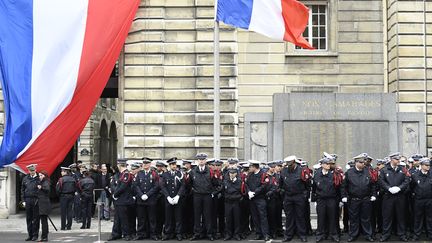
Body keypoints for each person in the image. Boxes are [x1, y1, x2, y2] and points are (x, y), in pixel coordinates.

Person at [341, 154, 376, 242]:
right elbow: (343, 186)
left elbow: (373, 185)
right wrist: (344, 196)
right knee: (353, 218)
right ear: (356, 162)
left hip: (366, 199)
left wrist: (374, 195)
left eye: (364, 162)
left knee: (366, 218)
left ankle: (368, 234)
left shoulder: (368, 171)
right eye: (361, 162)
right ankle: (353, 234)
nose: (363, 164)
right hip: (353, 200)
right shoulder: (349, 172)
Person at [378, 152, 410, 242]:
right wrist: (388, 188)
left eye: (399, 159)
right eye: (396, 159)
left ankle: (402, 234)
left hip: (400, 196)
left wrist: (399, 188)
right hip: (388, 196)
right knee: (387, 216)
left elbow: (407, 180)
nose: (398, 161)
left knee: (401, 216)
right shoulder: (384, 170)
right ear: (391, 159)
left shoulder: (403, 169)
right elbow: (381, 181)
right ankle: (386, 234)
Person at [279, 156, 311, 242]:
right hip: (288, 196)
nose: (289, 166)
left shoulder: (302, 170)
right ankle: (288, 235)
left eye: (290, 164)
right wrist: (283, 193)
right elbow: (280, 184)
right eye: (288, 164)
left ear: (294, 162)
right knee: (289, 216)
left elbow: (307, 184)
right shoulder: (284, 171)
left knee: (300, 216)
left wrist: (305, 195)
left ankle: (302, 235)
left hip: (299, 196)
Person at [312, 157, 342, 242]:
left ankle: (333, 234)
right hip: (321, 199)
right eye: (327, 164)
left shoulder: (333, 174)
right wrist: (314, 200)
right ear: (322, 165)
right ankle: (320, 234)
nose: (329, 165)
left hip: (331, 199)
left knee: (332, 218)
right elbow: (314, 187)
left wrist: (339, 200)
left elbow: (338, 187)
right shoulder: (317, 174)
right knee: (321, 218)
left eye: (329, 164)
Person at [189, 153, 218, 241]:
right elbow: (189, 184)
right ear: (197, 161)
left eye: (203, 159)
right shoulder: (192, 171)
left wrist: (213, 193)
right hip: (197, 196)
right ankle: (197, 233)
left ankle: (209, 233)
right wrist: (193, 191)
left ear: (205, 161)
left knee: (207, 215)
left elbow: (216, 184)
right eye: (199, 159)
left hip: (207, 196)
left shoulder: (211, 171)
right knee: (197, 215)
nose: (201, 161)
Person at [133, 157, 160, 240]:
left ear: (150, 164)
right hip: (141, 200)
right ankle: (140, 234)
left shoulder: (154, 173)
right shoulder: (139, 173)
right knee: (141, 218)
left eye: (147, 163)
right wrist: (141, 195)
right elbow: (136, 185)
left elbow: (156, 186)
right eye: (144, 163)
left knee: (152, 218)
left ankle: (153, 234)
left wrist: (147, 195)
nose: (145, 165)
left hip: (151, 199)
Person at [108, 159, 135, 241]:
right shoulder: (119, 174)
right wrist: (114, 194)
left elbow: (123, 187)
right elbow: (114, 185)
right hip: (119, 200)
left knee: (124, 218)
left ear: (120, 165)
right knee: (117, 218)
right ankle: (116, 233)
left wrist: (115, 194)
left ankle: (127, 234)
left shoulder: (126, 174)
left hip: (124, 200)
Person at [160, 157, 185, 241]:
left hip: (178, 199)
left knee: (178, 217)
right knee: (168, 217)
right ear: (169, 165)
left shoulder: (180, 174)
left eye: (175, 164)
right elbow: (163, 187)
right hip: (168, 199)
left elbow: (183, 186)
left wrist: (178, 196)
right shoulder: (165, 175)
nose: (174, 166)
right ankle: (167, 233)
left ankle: (178, 233)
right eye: (172, 165)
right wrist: (168, 197)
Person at [246, 160, 270, 241]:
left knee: (263, 217)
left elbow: (264, 186)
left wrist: (255, 193)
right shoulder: (250, 175)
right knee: (255, 217)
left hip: (260, 199)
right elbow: (246, 184)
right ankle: (258, 233)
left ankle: (266, 234)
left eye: (250, 167)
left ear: (254, 167)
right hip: (252, 199)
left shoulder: (263, 174)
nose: (249, 168)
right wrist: (249, 191)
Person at [410, 157, 432, 241]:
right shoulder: (415, 175)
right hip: (418, 200)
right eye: (426, 165)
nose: (428, 167)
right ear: (421, 165)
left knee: (430, 218)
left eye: (429, 165)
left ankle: (430, 234)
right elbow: (412, 187)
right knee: (418, 218)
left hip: (429, 200)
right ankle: (416, 234)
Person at [223, 168, 243, 241]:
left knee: (237, 219)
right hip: (228, 202)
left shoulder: (239, 181)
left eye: (233, 173)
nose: (231, 174)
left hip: (236, 203)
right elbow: (224, 192)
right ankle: (228, 234)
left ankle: (236, 234)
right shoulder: (225, 181)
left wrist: (234, 197)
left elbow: (241, 192)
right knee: (228, 219)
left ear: (236, 174)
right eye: (230, 173)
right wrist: (231, 196)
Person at [22, 164, 40, 241]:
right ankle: (30, 235)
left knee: (36, 219)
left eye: (33, 170)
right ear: (28, 171)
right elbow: (22, 190)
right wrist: (23, 200)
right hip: (28, 200)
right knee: (28, 219)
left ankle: (35, 235)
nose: (32, 172)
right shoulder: (25, 178)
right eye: (30, 171)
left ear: (35, 170)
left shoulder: (39, 178)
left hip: (36, 200)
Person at [56, 166, 76, 231]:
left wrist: (59, 195)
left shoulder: (61, 179)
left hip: (63, 196)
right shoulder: (73, 179)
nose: (61, 172)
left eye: (62, 171)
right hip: (71, 196)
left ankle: (63, 227)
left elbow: (58, 189)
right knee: (69, 212)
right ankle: (69, 226)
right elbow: (75, 188)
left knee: (63, 212)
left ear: (65, 172)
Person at [37, 170, 51, 242]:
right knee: (43, 221)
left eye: (41, 175)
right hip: (42, 204)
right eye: (39, 176)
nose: (40, 177)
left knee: (44, 221)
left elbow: (47, 189)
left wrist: (41, 187)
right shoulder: (42, 182)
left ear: (44, 175)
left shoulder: (46, 182)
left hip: (44, 204)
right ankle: (44, 236)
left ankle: (44, 237)